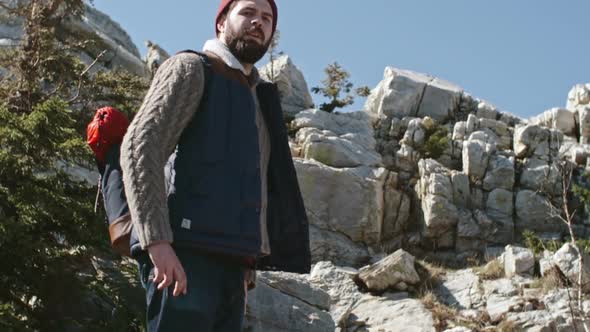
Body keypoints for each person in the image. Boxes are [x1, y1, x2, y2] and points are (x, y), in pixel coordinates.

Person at [119, 0, 311, 330]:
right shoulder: (192, 68)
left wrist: (247, 265)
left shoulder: (259, 97)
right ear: (221, 23)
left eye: (266, 18)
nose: (258, 23)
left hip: (233, 266)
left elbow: (254, 183)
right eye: (248, 12)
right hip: (183, 255)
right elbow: (140, 146)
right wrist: (157, 242)